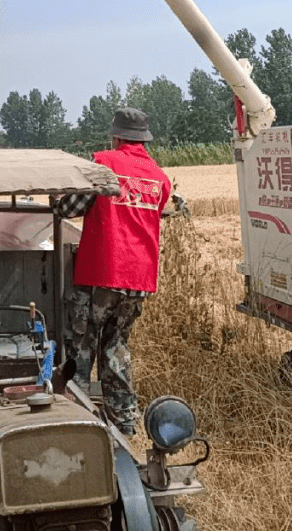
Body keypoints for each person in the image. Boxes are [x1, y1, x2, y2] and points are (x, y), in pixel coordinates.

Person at [59, 107, 171, 436]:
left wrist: (56, 199)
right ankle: (124, 423)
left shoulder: (104, 163)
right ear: (144, 138)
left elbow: (71, 208)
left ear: (116, 136)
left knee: (81, 344)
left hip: (102, 272)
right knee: (116, 346)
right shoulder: (159, 177)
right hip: (139, 278)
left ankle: (76, 420)